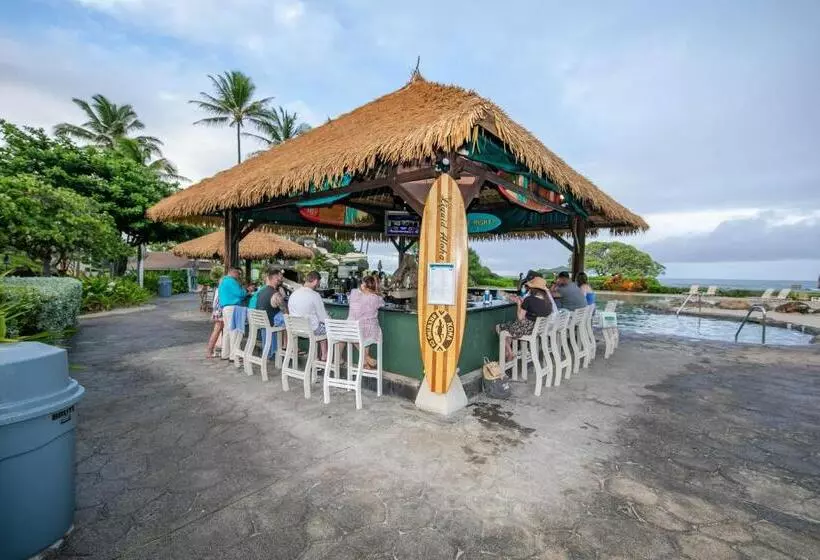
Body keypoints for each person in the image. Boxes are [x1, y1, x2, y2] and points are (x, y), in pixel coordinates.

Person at [497, 277, 552, 361]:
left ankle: (510, 353)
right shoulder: (548, 302)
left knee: (499, 328)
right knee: (509, 329)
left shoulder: (529, 299)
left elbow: (520, 318)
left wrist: (519, 304)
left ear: (532, 288)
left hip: (527, 328)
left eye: (529, 287)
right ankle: (507, 354)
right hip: (538, 329)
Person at [288, 270, 329, 360]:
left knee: (318, 325)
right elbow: (323, 317)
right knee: (327, 328)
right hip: (310, 329)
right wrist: (330, 318)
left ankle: (316, 357)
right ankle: (324, 357)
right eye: (318, 283)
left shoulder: (293, 294)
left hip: (296, 328)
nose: (318, 285)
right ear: (315, 281)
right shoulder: (315, 295)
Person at [347, 275, 384, 368]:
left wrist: (361, 290)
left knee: (356, 332)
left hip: (353, 330)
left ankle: (365, 361)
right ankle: (366, 358)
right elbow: (382, 303)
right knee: (363, 334)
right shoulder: (376, 298)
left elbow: (353, 294)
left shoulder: (355, 293)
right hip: (370, 330)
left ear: (363, 284)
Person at [216, 267, 247, 360]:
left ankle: (225, 354)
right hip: (232, 307)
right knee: (234, 331)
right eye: (238, 273)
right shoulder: (231, 281)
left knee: (226, 331)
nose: (239, 276)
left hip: (225, 308)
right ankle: (234, 356)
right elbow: (241, 293)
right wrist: (246, 290)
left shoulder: (223, 281)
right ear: (233, 272)